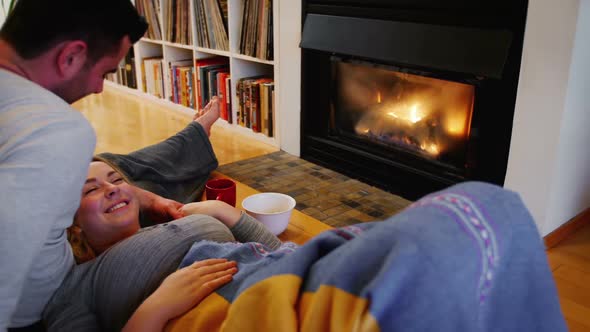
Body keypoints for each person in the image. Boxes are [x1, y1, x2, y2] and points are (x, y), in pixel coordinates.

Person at [0, 1, 184, 330]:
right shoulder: (54, 128)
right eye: (104, 73)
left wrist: (143, 198)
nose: (99, 88)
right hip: (41, 313)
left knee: (135, 165)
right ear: (71, 56)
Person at [45, 160, 282, 331]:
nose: (113, 188)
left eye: (116, 179)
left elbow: (277, 252)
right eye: (92, 189)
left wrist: (224, 212)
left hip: (275, 285)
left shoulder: (171, 225)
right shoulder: (77, 285)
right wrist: (159, 307)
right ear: (72, 223)